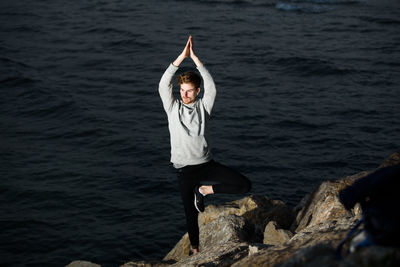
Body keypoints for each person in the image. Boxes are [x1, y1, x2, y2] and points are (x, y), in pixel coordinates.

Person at [158, 35, 251, 254]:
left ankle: (205, 190)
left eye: (189, 91)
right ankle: (195, 250)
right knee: (190, 214)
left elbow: (211, 87)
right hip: (183, 169)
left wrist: (197, 60)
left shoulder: (204, 107)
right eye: (182, 90)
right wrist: (182, 57)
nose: (184, 95)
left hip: (207, 164)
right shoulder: (172, 109)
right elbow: (163, 84)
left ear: (197, 91)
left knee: (245, 185)